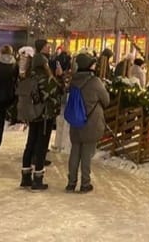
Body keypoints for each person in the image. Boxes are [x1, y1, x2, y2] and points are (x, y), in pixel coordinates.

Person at [20, 39, 64, 190]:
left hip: (32, 113)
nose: (49, 48)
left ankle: (25, 176)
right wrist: (59, 77)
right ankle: (37, 178)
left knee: (30, 143)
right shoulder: (45, 77)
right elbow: (56, 93)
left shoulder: (28, 74)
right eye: (47, 46)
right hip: (44, 114)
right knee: (41, 145)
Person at [66, 52, 110, 193]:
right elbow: (106, 100)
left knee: (75, 151)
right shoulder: (95, 82)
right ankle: (85, 183)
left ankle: (71, 183)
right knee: (86, 154)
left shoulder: (73, 81)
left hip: (75, 122)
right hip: (91, 123)